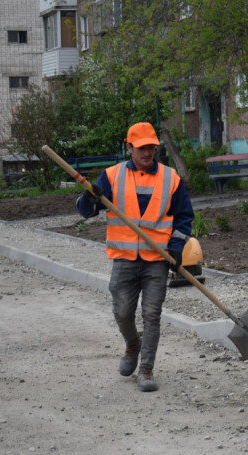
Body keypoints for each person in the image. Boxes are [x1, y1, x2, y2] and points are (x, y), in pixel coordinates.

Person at [75, 122, 194, 392]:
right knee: (122, 312)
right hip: (124, 259)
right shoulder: (111, 176)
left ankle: (146, 369)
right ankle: (132, 344)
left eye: (151, 147)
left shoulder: (170, 178)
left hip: (156, 260)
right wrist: (89, 198)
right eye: (141, 148)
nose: (147, 152)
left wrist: (176, 246)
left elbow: (184, 217)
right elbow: (86, 211)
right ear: (128, 147)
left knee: (152, 314)